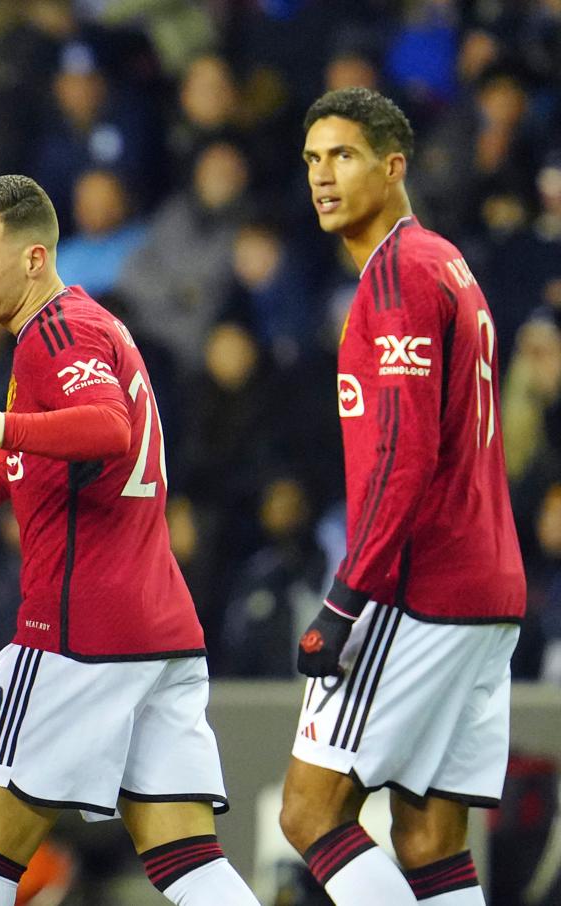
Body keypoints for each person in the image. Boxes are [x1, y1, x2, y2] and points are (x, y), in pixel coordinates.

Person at [0, 174, 259, 906]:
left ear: (34, 258)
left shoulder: (55, 336)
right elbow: (20, 471)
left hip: (77, 636)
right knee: (188, 863)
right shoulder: (91, 326)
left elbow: (108, 428)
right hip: (160, 631)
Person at [279, 87, 526, 905]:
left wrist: (346, 600)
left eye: (343, 157)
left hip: (418, 586)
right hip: (489, 589)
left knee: (310, 814)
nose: (322, 176)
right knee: (429, 838)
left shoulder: (396, 280)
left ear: (394, 166)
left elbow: (401, 460)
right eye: (313, 160)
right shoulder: (445, 263)